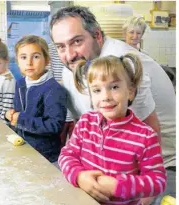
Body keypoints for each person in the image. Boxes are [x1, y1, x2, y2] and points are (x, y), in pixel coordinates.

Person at [50, 6, 175, 204]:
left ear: (97, 35)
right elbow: (78, 136)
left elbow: (152, 130)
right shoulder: (73, 68)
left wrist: (144, 199)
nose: (69, 54)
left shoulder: (122, 65)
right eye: (60, 46)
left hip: (164, 161)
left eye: (77, 41)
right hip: (103, 165)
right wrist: (80, 175)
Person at [59, 54, 166, 205]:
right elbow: (66, 155)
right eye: (97, 90)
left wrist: (118, 186)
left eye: (114, 87)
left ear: (130, 91)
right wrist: (79, 176)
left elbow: (157, 181)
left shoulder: (145, 136)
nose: (106, 97)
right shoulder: (85, 123)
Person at [5, 35, 67, 163]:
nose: (29, 62)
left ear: (47, 60)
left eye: (36, 56)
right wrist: (12, 116)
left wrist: (20, 119)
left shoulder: (53, 89)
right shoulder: (20, 84)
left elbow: (54, 126)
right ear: (17, 61)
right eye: (23, 57)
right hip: (24, 148)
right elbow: (20, 113)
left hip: (46, 156)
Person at [47, 42, 75, 148]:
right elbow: (49, 82)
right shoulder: (50, 50)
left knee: (77, 148)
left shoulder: (78, 47)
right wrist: (68, 82)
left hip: (76, 112)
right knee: (57, 147)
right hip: (58, 112)